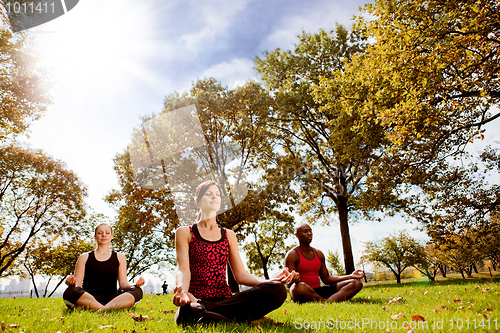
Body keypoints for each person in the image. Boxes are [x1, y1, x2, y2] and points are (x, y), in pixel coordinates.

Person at [173, 180, 294, 325]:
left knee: (278, 290)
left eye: (217, 195)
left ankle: (216, 315)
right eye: (209, 194)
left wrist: (269, 281)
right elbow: (183, 270)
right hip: (196, 301)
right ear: (198, 200)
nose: (214, 197)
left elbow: (241, 275)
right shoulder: (185, 232)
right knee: (188, 312)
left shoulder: (229, 235)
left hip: (228, 301)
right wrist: (183, 293)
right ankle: (246, 321)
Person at [63, 223, 145, 311]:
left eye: (107, 233)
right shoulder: (84, 257)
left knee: (137, 290)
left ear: (111, 236)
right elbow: (77, 285)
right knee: (70, 291)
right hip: (88, 298)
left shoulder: (119, 257)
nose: (104, 235)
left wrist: (135, 284)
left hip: (113, 298)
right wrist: (71, 283)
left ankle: (101, 309)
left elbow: (123, 284)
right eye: (100, 233)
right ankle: (106, 309)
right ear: (95, 236)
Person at [284, 223, 364, 303]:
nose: (309, 233)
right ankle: (327, 301)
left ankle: (326, 301)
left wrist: (351, 276)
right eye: (305, 231)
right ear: (297, 235)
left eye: (310, 231)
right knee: (296, 288)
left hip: (319, 291)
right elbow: (288, 284)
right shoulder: (292, 255)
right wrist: (293, 279)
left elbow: (326, 279)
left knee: (356, 283)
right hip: (303, 291)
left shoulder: (319, 253)